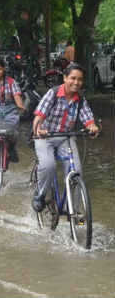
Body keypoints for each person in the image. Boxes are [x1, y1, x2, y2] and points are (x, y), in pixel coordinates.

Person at [31, 63, 99, 212]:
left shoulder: (80, 99)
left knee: (77, 172)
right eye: (73, 78)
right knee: (49, 165)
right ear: (65, 78)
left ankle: (75, 214)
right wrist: (38, 129)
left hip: (66, 138)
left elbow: (87, 118)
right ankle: (40, 195)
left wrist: (92, 126)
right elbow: (39, 116)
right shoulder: (53, 93)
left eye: (80, 79)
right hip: (45, 137)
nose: (76, 82)